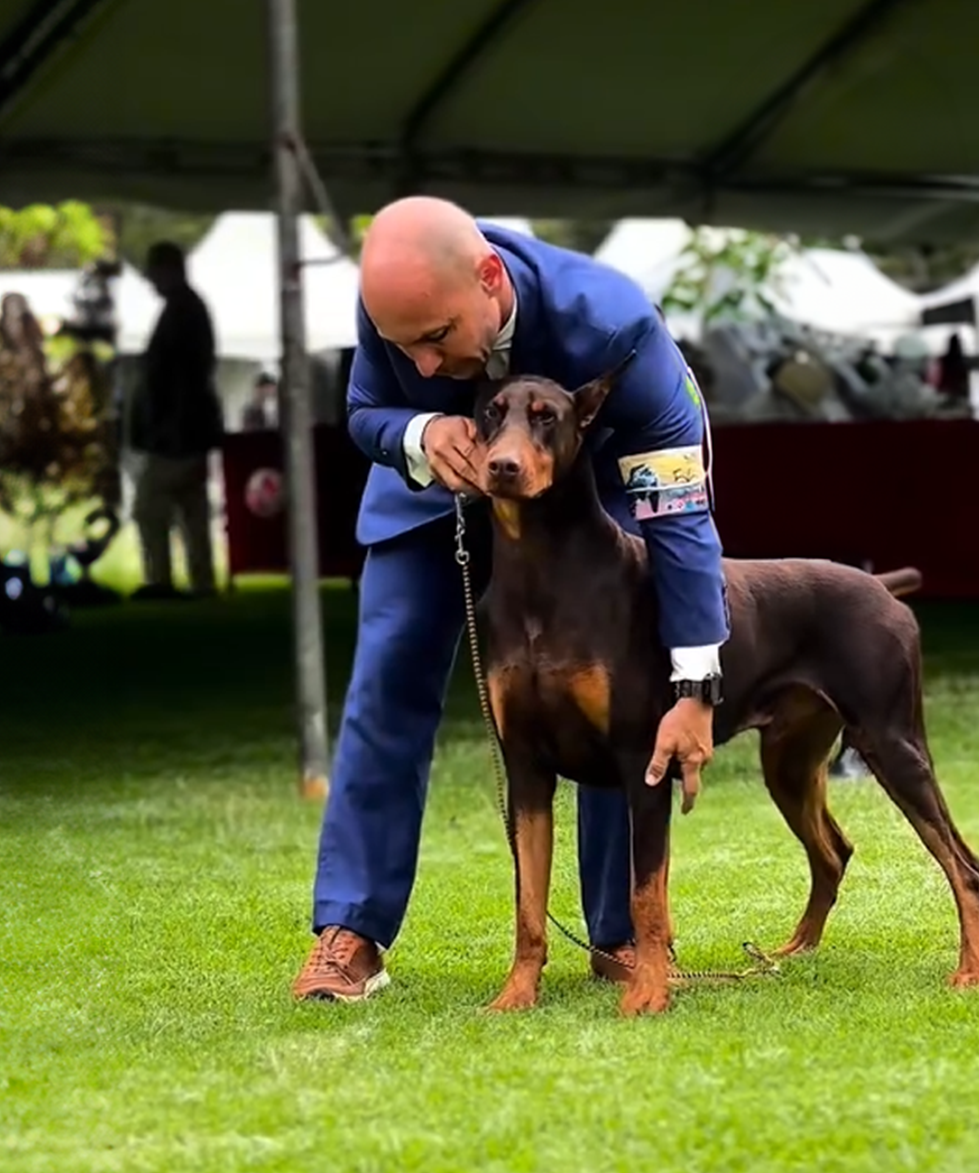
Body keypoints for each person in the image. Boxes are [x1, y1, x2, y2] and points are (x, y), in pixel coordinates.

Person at [292, 197, 731, 1002]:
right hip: (428, 496)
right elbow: (363, 411)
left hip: (589, 503)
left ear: (491, 280)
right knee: (386, 683)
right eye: (403, 345)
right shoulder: (395, 302)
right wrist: (420, 433)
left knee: (620, 696)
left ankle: (618, 933)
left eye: (435, 340)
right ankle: (350, 929)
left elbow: (679, 511)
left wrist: (697, 678)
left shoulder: (616, 329)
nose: (422, 365)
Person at [130, 241, 223, 599]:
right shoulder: (190, 308)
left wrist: (167, 424)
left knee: (150, 507)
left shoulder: (181, 312)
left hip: (177, 430)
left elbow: (180, 375)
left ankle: (161, 579)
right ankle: (202, 581)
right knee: (193, 508)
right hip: (192, 428)